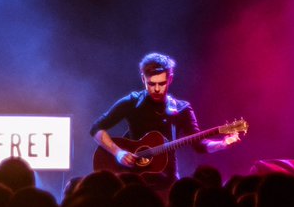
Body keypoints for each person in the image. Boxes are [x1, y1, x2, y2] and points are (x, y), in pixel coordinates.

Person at [90, 52, 240, 189]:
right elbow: (96, 129)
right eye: (151, 84)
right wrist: (118, 153)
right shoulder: (132, 102)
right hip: (133, 182)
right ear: (143, 78)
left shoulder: (182, 109)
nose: (156, 89)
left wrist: (222, 144)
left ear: (170, 79)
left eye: (161, 83)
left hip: (167, 182)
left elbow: (199, 145)